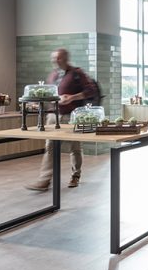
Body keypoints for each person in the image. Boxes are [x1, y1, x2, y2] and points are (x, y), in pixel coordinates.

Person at [25, 48, 96, 191]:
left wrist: (72, 97)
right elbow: (50, 94)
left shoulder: (77, 73)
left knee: (75, 147)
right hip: (53, 116)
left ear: (65, 58)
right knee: (50, 147)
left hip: (71, 116)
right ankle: (44, 180)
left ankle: (75, 175)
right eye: (53, 58)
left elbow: (91, 91)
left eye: (58, 58)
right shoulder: (53, 75)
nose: (54, 61)